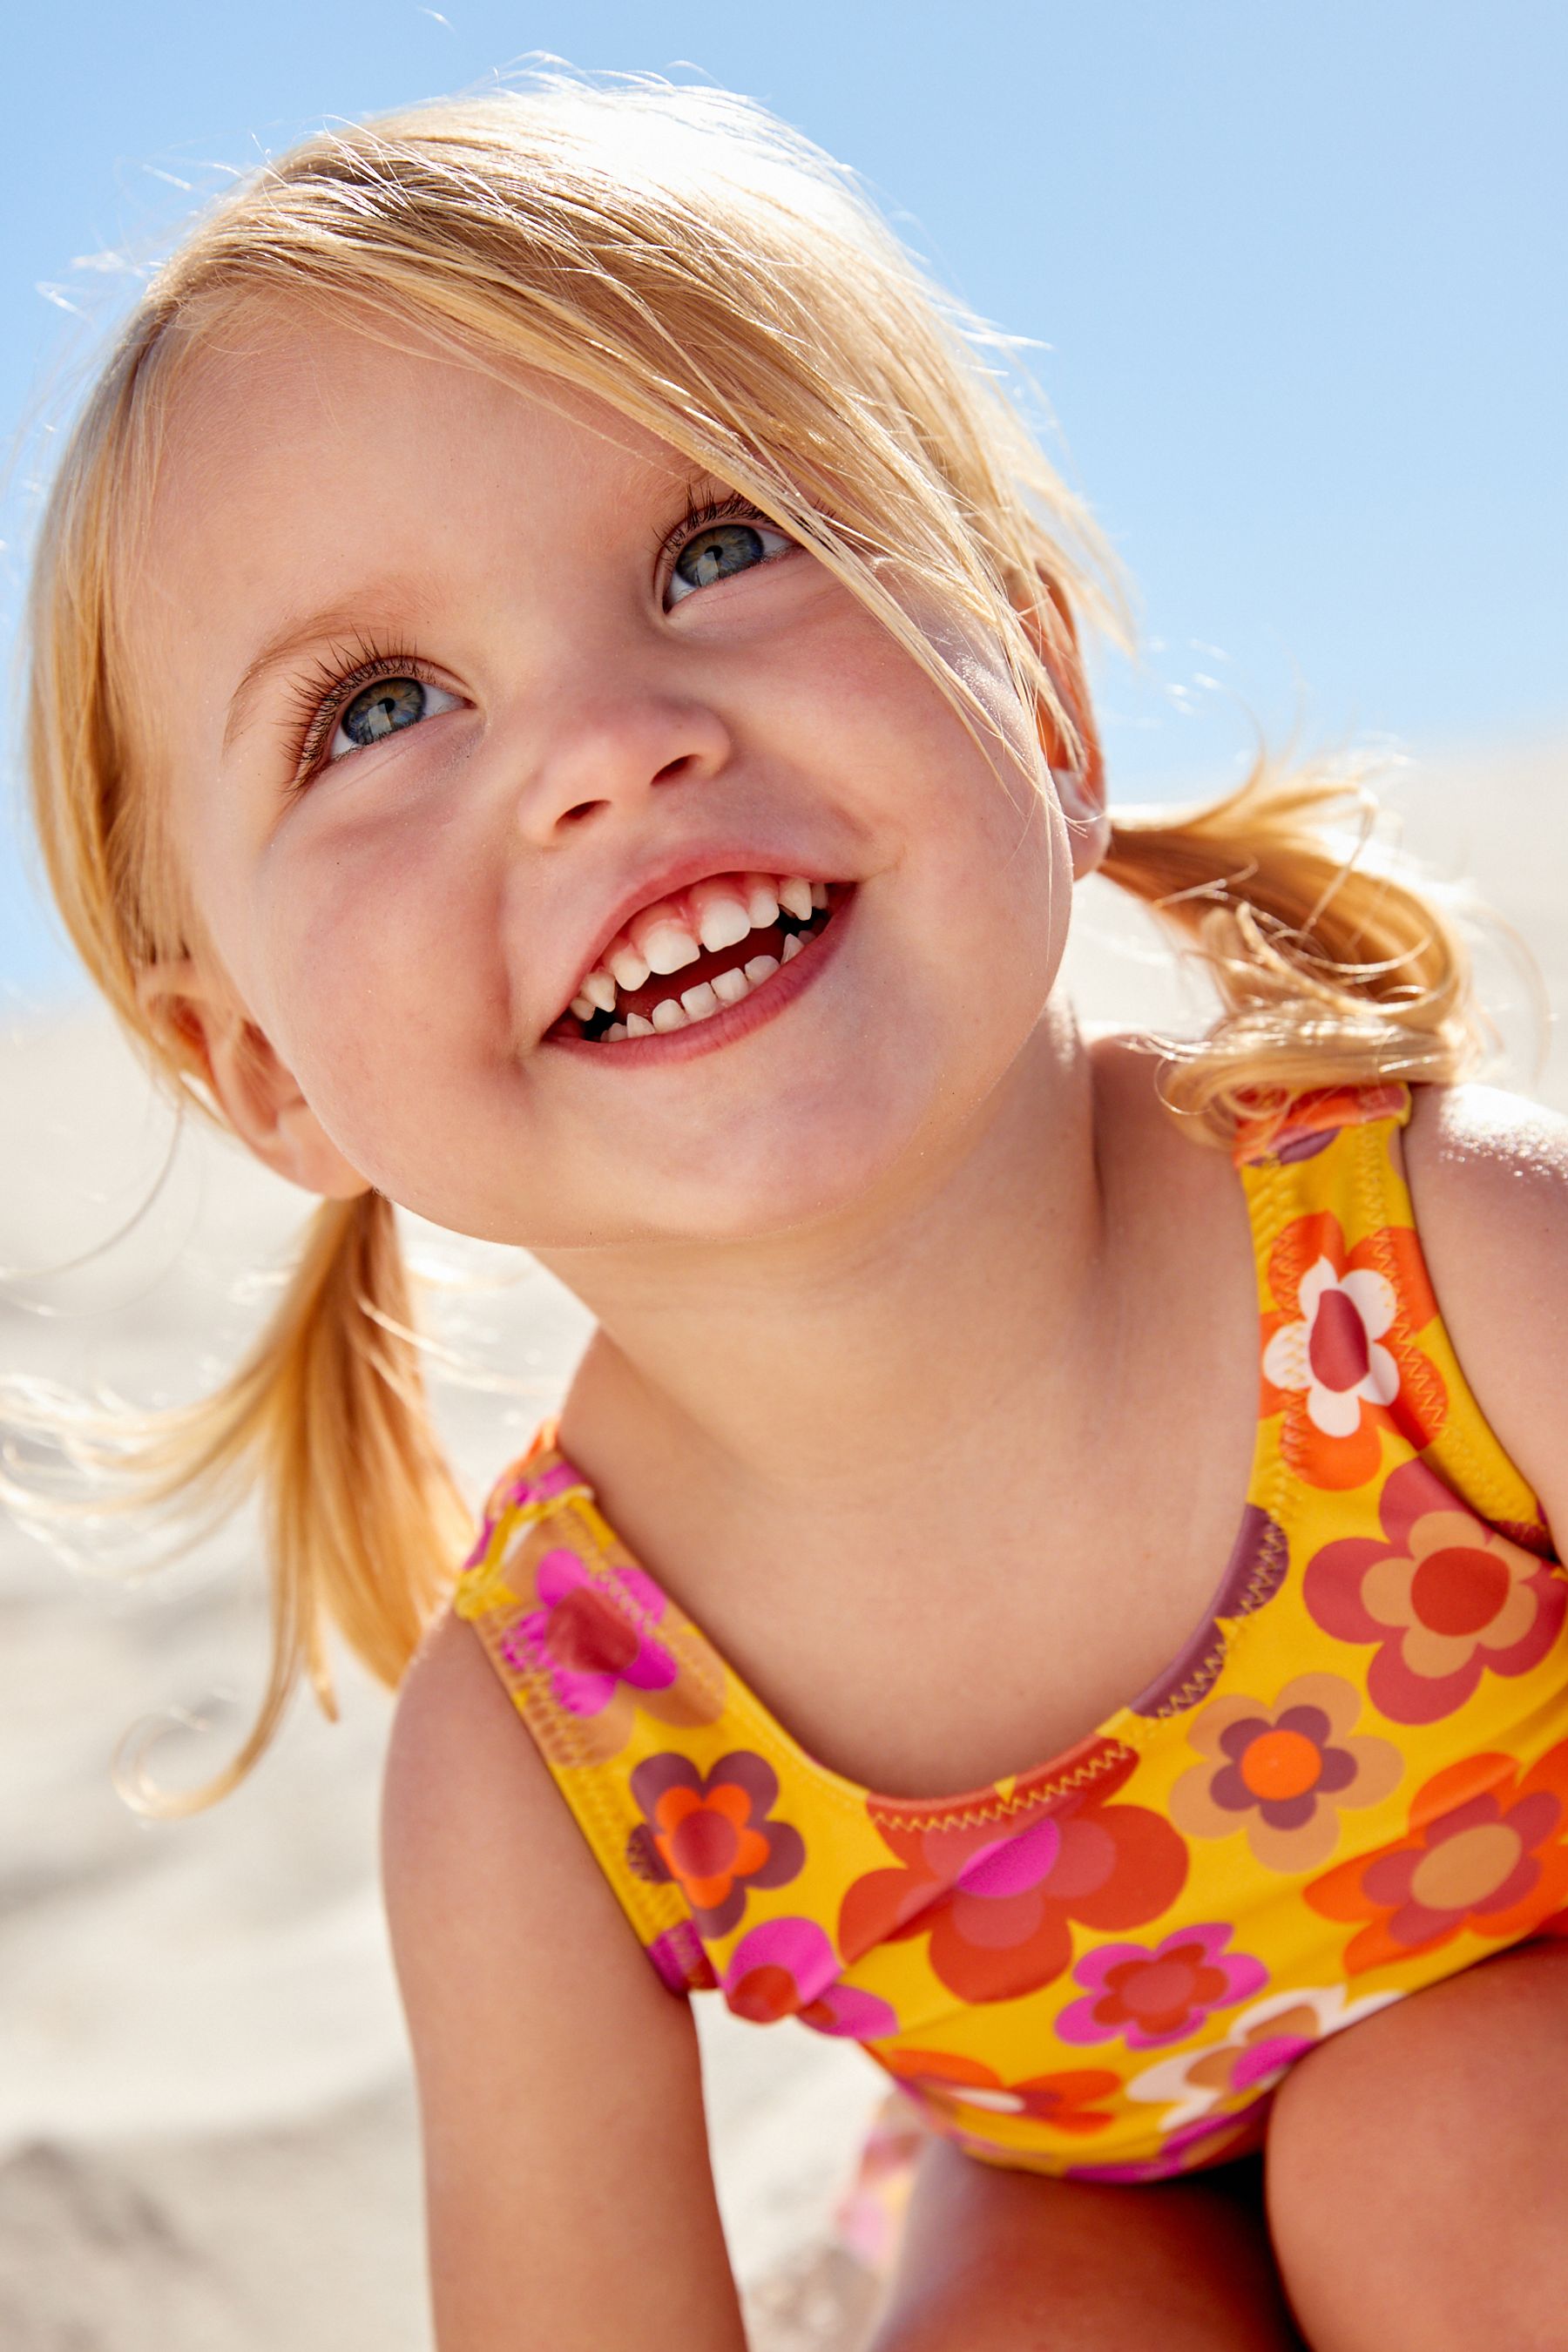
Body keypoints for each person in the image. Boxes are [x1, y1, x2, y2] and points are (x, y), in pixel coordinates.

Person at [19, 68, 1568, 2352]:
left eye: (722, 543)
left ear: (1038, 694)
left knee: (1437, 2154)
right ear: (257, 1066)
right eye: (377, 706)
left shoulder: (1432, 1263)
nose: (603, 739)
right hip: (1072, 2163)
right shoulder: (556, 1743)